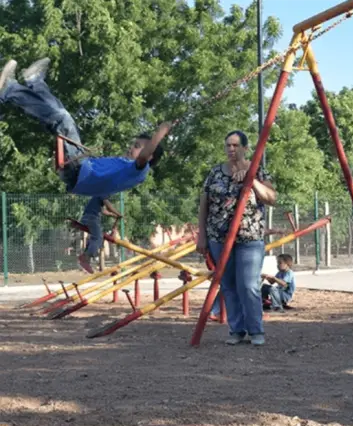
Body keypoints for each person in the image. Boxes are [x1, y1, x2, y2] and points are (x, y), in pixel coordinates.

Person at [0, 58, 169, 273]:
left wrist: (161, 131)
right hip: (79, 168)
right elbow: (103, 192)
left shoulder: (139, 169)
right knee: (61, 114)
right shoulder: (123, 172)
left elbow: (145, 154)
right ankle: (34, 81)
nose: (131, 148)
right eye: (133, 144)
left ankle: (9, 90)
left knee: (62, 119)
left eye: (137, 146)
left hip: (78, 170)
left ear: (150, 155)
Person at [197, 130, 277, 347]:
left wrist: (250, 180)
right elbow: (204, 204)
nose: (231, 149)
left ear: (244, 148)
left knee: (248, 284)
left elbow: (271, 198)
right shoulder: (215, 173)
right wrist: (201, 235)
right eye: (228, 146)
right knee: (228, 285)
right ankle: (236, 330)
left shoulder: (257, 171)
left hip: (249, 237)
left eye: (235, 145)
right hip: (218, 237)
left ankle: (256, 330)